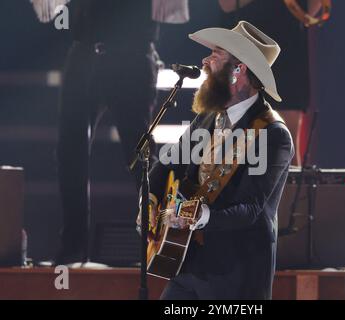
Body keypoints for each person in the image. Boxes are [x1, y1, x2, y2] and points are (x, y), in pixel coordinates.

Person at [137, 21, 294, 299]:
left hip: (235, 272)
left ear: (238, 70)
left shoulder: (273, 134)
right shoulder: (208, 117)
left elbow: (252, 209)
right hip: (187, 261)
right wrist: (149, 201)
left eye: (216, 55)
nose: (205, 61)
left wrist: (203, 216)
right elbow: (168, 162)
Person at [32, 0, 189, 264]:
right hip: (84, 53)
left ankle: (159, 245)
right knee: (70, 152)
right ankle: (73, 246)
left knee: (140, 154)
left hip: (132, 57)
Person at [218, 0, 323, 166]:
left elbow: (310, 10)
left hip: (288, 52)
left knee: (287, 143)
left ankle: (291, 190)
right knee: (242, 144)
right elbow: (227, 4)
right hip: (250, 51)